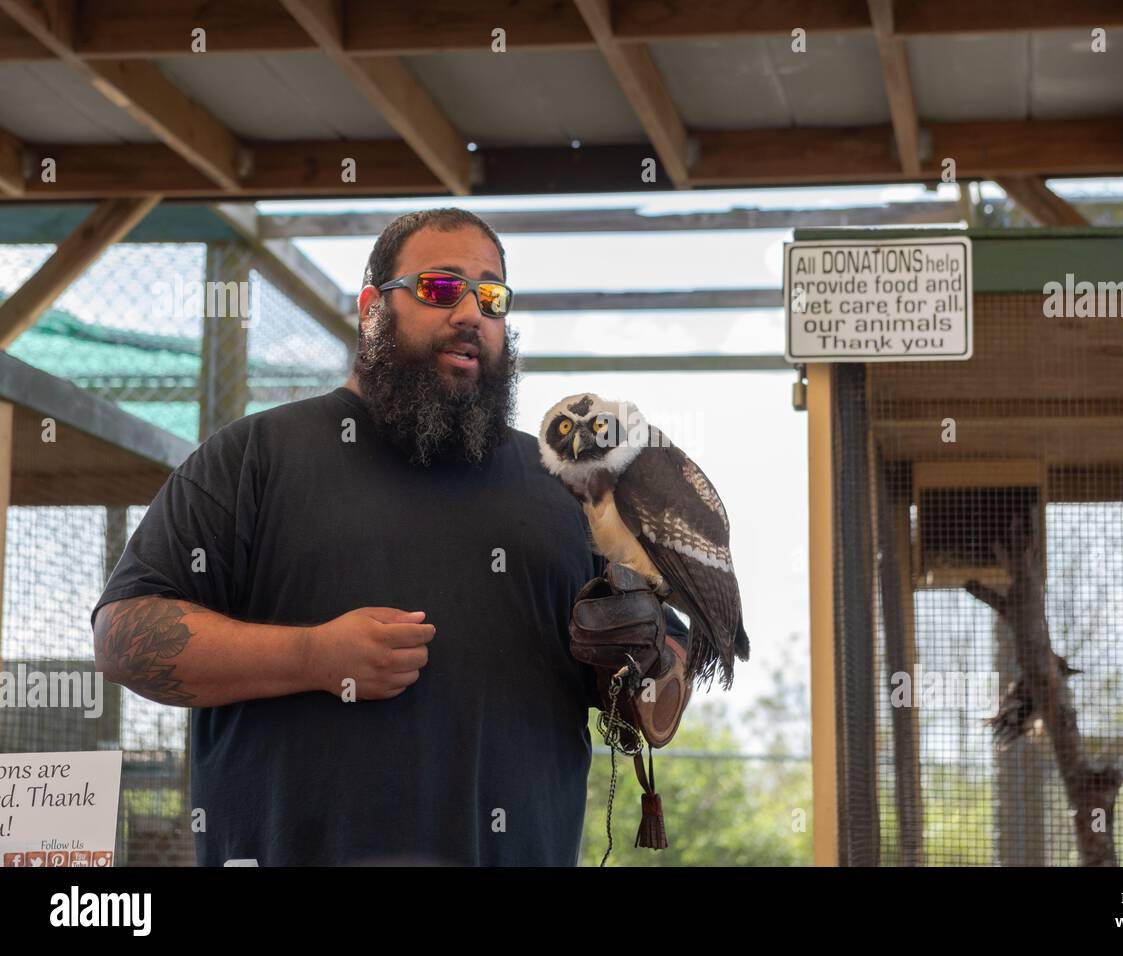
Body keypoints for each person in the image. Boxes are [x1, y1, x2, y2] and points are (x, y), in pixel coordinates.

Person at [91, 208, 687, 866]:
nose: (470, 313)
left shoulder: (570, 489)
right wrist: (311, 658)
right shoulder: (253, 457)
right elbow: (123, 637)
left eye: (491, 295)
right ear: (372, 308)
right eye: (439, 288)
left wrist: (641, 664)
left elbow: (658, 703)